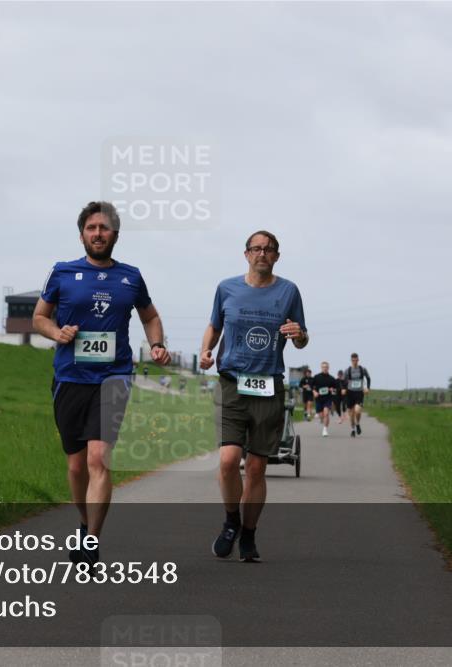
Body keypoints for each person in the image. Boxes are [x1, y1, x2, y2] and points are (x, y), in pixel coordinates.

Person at [33, 201, 171, 565]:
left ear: (115, 235)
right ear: (82, 234)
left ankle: (92, 541)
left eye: (104, 228)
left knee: (99, 458)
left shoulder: (131, 277)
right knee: (76, 466)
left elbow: (151, 316)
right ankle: (83, 521)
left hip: (114, 377)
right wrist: (57, 333)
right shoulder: (62, 272)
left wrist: (157, 344)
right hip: (70, 377)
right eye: (91, 228)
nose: (98, 233)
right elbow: (39, 317)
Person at [200, 230, 308, 562]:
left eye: (268, 250)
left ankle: (248, 534)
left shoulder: (288, 291)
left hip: (268, 385)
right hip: (232, 382)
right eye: (256, 249)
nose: (262, 254)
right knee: (230, 460)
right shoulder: (226, 288)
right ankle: (232, 519)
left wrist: (299, 335)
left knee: (258, 468)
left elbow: (302, 339)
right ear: (246, 254)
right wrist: (206, 351)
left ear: (276, 256)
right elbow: (214, 326)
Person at [342, 353, 372, 437]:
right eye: (353, 360)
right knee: (351, 414)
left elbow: (368, 378)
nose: (354, 361)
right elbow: (343, 381)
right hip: (350, 393)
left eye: (356, 360)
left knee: (358, 410)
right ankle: (352, 429)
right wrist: (343, 389)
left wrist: (368, 388)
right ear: (351, 360)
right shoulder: (347, 370)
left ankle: (358, 424)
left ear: (358, 360)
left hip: (359, 393)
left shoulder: (362, 369)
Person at [311, 361, 339, 437]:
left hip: (328, 399)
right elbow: (311, 386)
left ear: (328, 368)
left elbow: (336, 390)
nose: (325, 368)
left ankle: (325, 429)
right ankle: (323, 421)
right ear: (321, 368)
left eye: (326, 367)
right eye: (323, 367)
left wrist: (332, 390)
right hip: (319, 399)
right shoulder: (316, 377)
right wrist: (314, 392)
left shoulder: (332, 379)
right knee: (321, 415)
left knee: (326, 414)